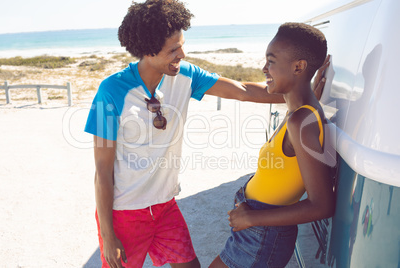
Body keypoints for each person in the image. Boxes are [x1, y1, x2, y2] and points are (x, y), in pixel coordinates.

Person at [84, 0, 328, 267]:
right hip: (125, 214)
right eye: (174, 49)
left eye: (182, 44)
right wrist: (107, 235)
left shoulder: (186, 75)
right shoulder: (112, 92)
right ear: (148, 51)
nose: (183, 54)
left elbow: (243, 91)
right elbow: (102, 171)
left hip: (165, 207)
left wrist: (299, 92)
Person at [209, 22, 335, 268]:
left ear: (299, 67)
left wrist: (253, 217)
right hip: (256, 229)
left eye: (271, 61)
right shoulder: (297, 111)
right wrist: (308, 90)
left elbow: (322, 205)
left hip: (263, 234)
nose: (263, 68)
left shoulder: (301, 120)